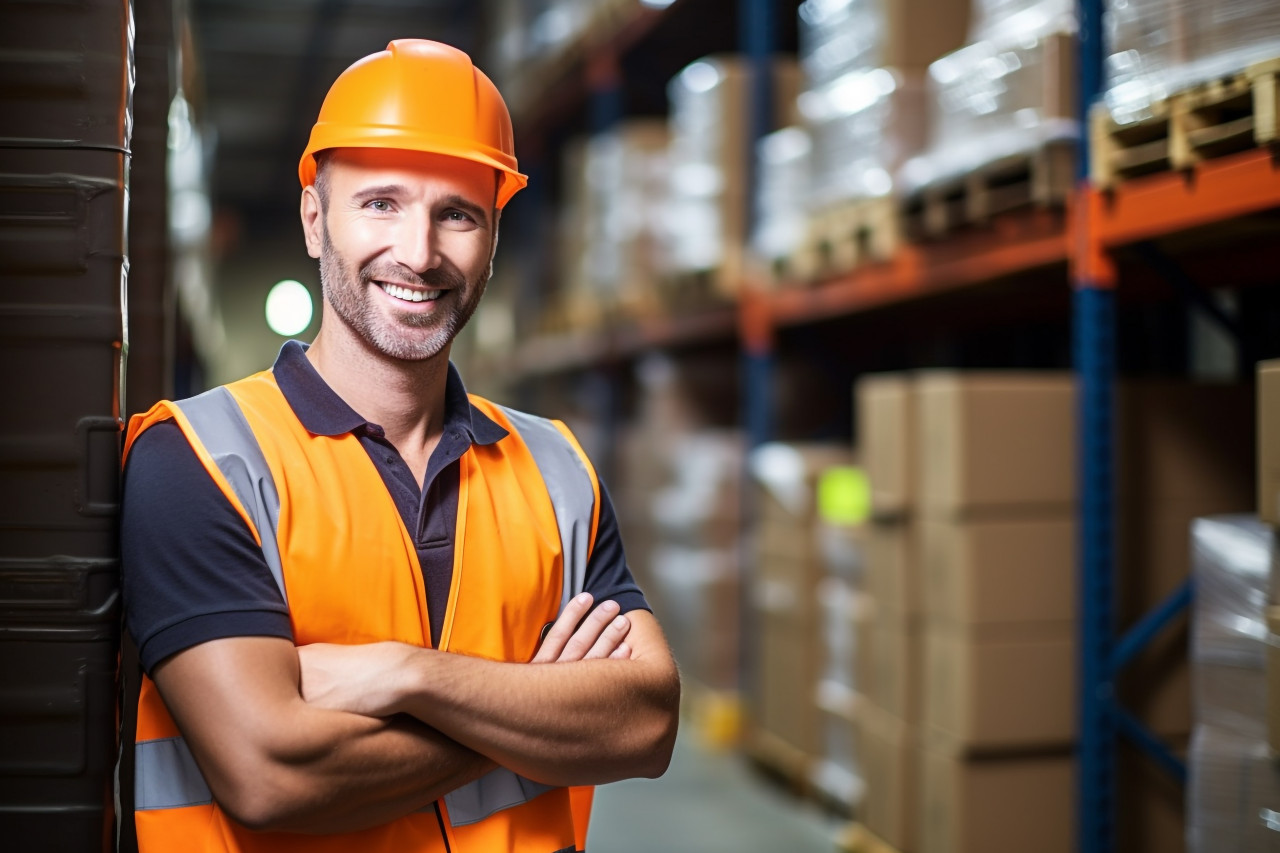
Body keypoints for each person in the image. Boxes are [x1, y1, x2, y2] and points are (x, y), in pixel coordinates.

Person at [118, 38, 680, 853]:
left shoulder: (556, 468)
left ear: (492, 234)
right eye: (380, 203)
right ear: (316, 219)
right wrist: (540, 709)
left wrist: (407, 675)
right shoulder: (199, 461)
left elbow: (647, 723)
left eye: (457, 213)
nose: (418, 252)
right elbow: (271, 770)